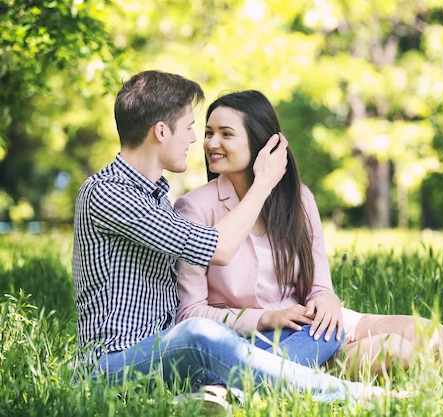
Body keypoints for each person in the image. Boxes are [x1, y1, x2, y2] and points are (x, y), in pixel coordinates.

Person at [72, 70, 391, 406]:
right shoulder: (108, 194)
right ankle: (357, 396)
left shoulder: (155, 197)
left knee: (325, 328)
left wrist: (324, 299)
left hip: (174, 360)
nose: (196, 140)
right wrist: (264, 182)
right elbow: (219, 248)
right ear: (161, 132)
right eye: (190, 127)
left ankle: (228, 392)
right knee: (201, 334)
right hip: (114, 365)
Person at [174, 89, 443, 380]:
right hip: (253, 339)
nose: (211, 143)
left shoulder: (299, 200)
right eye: (209, 133)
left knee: (426, 332)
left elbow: (319, 284)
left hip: (315, 328)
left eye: (225, 134)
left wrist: (325, 298)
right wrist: (268, 317)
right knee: (396, 350)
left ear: (260, 141)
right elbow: (190, 314)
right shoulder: (195, 208)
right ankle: (265, 379)